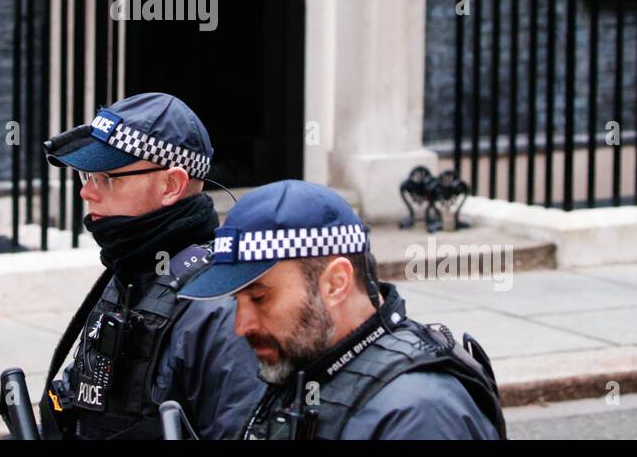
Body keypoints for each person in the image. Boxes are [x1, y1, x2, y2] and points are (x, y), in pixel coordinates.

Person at [179, 179, 507, 440]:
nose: (241, 326)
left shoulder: (420, 413)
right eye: (238, 301)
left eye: (260, 298)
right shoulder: (309, 369)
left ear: (335, 283)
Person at [36, 91, 263, 440]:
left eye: (107, 178)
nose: (87, 193)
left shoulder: (217, 303)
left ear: (171, 185)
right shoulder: (129, 270)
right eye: (87, 177)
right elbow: (87, 396)